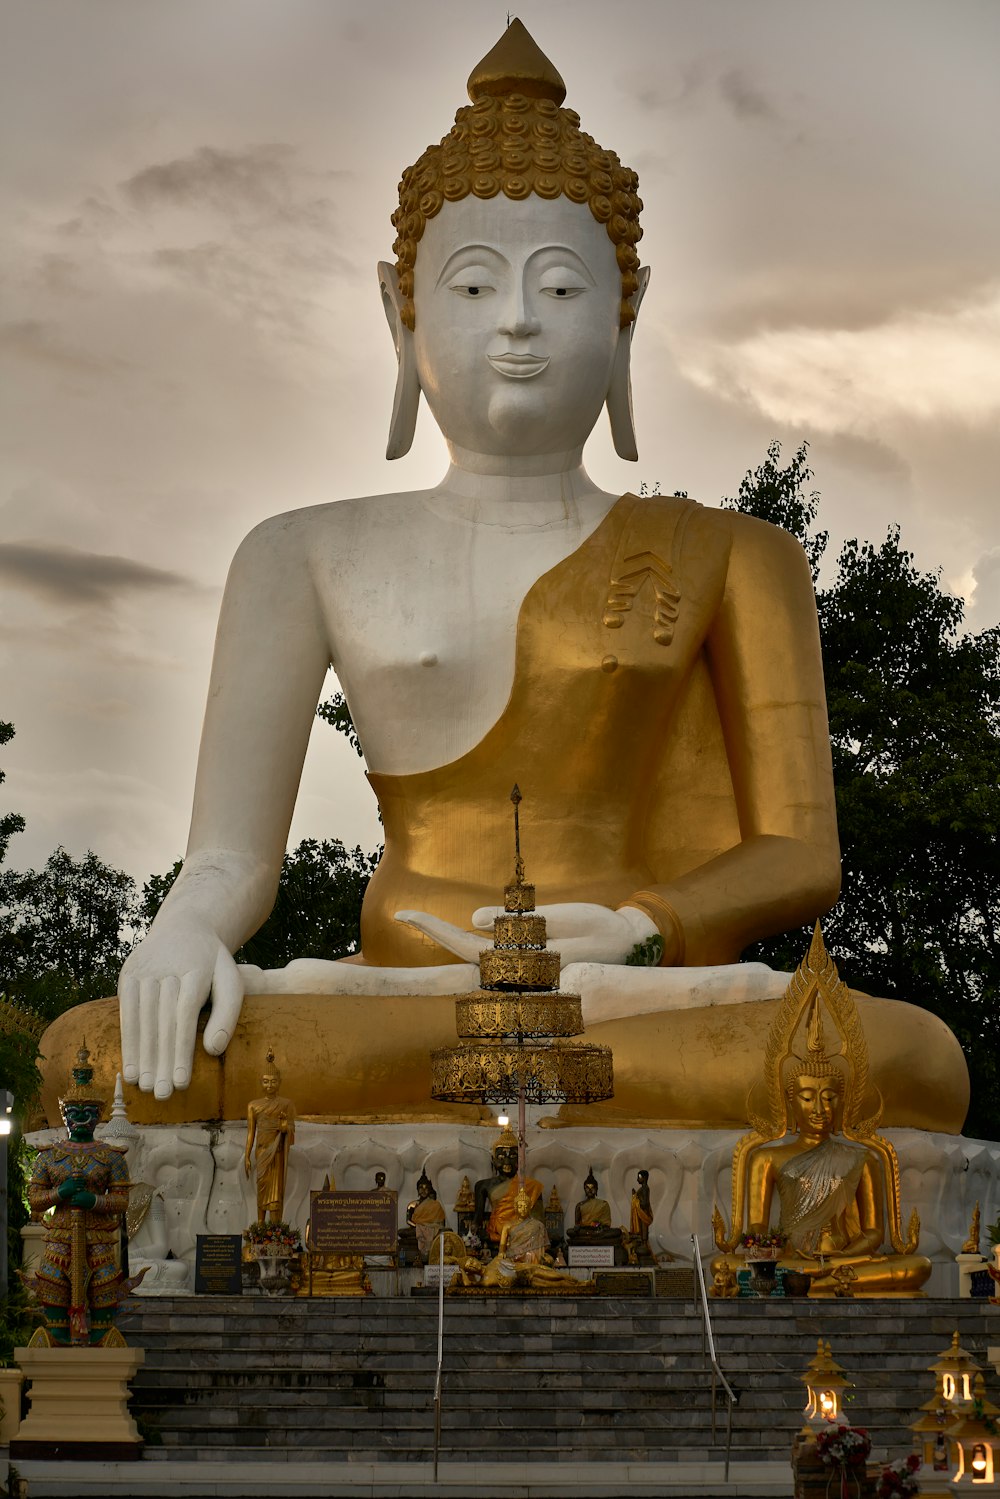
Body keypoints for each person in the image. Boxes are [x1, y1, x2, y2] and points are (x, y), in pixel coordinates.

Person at [119, 19, 943, 1121]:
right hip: (401, 991)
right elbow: (231, 856)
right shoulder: (299, 549)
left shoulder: (739, 555)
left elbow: (798, 849)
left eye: (559, 289)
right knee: (131, 1050)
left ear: (626, 309)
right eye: (469, 289)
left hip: (627, 991)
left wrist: (646, 924)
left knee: (894, 1056)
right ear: (397, 307)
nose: (515, 323)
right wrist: (181, 931)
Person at [27, 1044, 144, 1345]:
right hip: (60, 1238)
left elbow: (121, 1201)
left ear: (99, 1115)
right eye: (74, 1112)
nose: (81, 1118)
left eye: (88, 1112)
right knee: (54, 1299)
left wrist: (94, 1201)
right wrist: (59, 1193)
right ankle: (58, 1342)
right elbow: (35, 1199)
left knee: (104, 1300)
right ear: (64, 1114)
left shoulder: (111, 1157)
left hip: (98, 1240)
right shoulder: (49, 1156)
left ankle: (101, 1343)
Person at [243, 1048, 296, 1224]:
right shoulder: (253, 1106)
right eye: (266, 1082)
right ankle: (259, 1227)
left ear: (279, 1082)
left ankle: (275, 1229)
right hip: (261, 1152)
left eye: (273, 1082)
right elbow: (251, 1132)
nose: (269, 1086)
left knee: (275, 1191)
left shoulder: (286, 1104)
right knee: (262, 1188)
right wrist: (247, 1156)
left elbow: (291, 1128)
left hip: (278, 1153)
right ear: (261, 1082)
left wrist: (284, 1127)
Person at [473, 1125, 544, 1249]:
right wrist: (473, 1233)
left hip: (521, 1234)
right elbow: (477, 1221)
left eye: (512, 1157)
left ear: (521, 1160)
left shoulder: (532, 1186)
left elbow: (538, 1221)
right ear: (493, 1160)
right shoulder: (483, 1186)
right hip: (496, 1232)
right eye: (501, 1157)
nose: (507, 1162)